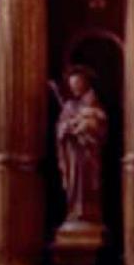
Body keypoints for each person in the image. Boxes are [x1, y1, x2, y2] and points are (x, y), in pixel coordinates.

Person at [52, 66, 108, 229]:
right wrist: (66, 128)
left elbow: (101, 129)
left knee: (88, 184)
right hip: (72, 155)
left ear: (85, 84)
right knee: (73, 183)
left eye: (77, 85)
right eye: (72, 86)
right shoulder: (69, 106)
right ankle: (74, 210)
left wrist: (86, 126)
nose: (74, 89)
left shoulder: (95, 105)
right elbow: (60, 128)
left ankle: (88, 213)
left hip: (87, 154)